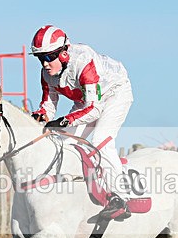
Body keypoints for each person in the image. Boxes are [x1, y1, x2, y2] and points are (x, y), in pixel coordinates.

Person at [29, 25, 134, 220]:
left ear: (63, 54)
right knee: (64, 144)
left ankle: (121, 197)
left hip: (114, 94)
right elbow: (48, 105)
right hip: (86, 101)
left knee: (101, 141)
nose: (44, 63)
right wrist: (40, 116)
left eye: (48, 57)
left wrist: (65, 120)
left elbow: (94, 109)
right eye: (40, 58)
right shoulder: (46, 74)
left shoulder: (84, 62)